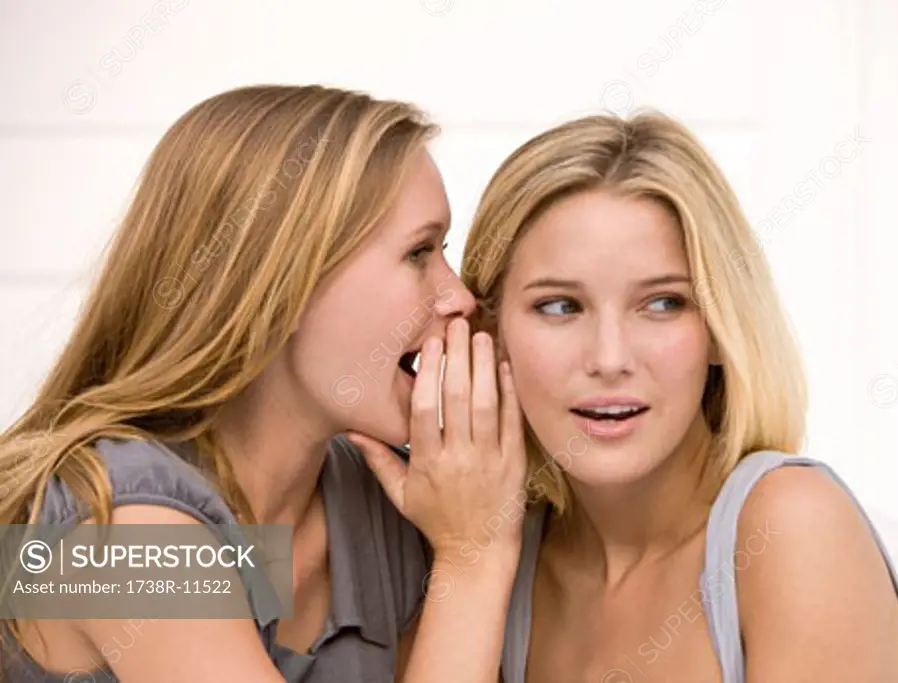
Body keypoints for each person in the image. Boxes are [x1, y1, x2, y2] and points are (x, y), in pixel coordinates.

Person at [0, 84, 526, 683]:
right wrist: (474, 557)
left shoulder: (388, 502)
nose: (458, 296)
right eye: (418, 253)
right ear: (285, 282)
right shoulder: (124, 530)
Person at [459, 111, 898, 682]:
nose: (610, 359)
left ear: (718, 326)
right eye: (560, 306)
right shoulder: (489, 562)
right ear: (492, 334)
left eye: (662, 304)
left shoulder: (790, 527)